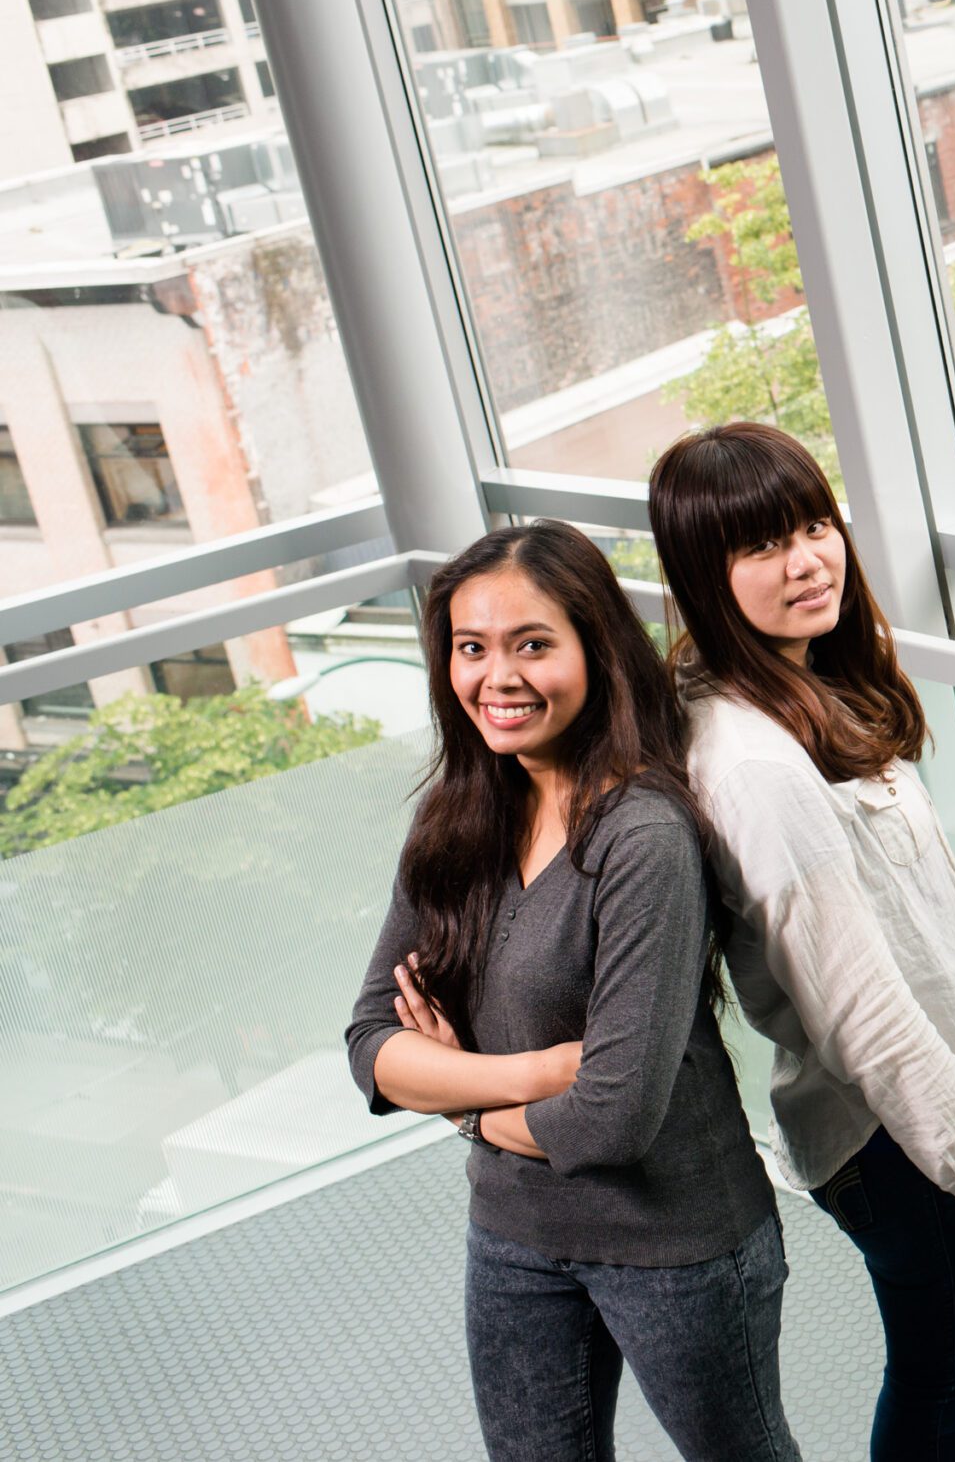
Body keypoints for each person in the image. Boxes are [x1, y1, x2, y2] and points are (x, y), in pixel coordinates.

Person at [345, 522, 795, 1462]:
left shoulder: (644, 836)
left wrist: (457, 1088)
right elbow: (369, 1046)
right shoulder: (457, 817)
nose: (496, 678)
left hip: (678, 1240)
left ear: (598, 649)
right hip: (512, 1231)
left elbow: (610, 1122)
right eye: (473, 648)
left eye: (533, 645)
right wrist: (538, 1070)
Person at [647, 422, 955, 1462]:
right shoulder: (751, 760)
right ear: (702, 573)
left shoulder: (808, 686)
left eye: (814, 524)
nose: (808, 559)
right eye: (762, 545)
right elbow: (852, 997)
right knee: (937, 1374)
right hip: (895, 1129)